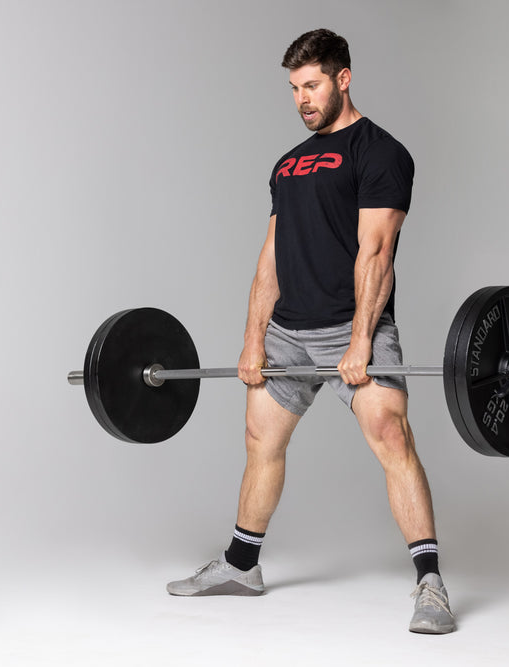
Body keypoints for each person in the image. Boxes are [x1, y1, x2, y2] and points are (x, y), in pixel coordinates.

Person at [166, 28, 455, 635]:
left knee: (392, 436)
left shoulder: (381, 153)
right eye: (295, 88)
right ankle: (242, 566)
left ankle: (430, 584)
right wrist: (253, 338)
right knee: (260, 440)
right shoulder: (287, 163)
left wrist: (359, 342)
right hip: (288, 333)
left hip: (355, 326)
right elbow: (272, 253)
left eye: (313, 85)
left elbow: (377, 253)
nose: (302, 98)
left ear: (343, 79)